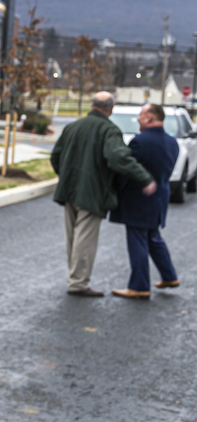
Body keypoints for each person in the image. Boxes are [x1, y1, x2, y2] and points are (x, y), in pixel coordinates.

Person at [50, 91, 155, 296]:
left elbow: (56, 156)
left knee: (72, 237)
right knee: (84, 239)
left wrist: (64, 175)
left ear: (91, 105)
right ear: (111, 109)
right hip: (93, 192)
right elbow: (119, 159)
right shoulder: (109, 130)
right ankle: (78, 283)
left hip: (69, 189)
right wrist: (145, 178)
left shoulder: (73, 127)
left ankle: (74, 277)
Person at [108, 104, 180, 299]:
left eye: (141, 115)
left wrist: (115, 191)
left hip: (138, 199)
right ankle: (169, 276)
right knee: (153, 238)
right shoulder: (172, 142)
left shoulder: (139, 142)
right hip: (160, 199)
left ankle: (139, 286)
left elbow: (128, 171)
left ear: (149, 117)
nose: (138, 119)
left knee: (138, 240)